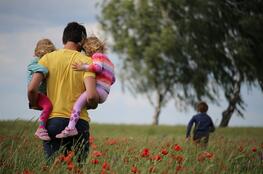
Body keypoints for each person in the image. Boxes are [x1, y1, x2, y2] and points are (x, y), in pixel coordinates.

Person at [27, 22, 99, 162]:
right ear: (82, 41)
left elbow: (31, 88)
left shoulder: (47, 59)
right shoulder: (86, 61)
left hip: (53, 122)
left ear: (63, 39)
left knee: (54, 168)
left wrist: (35, 103)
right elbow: (91, 96)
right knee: (77, 170)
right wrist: (94, 103)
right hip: (79, 124)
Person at [56, 36, 116, 138]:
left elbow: (97, 67)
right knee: (83, 104)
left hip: (98, 90)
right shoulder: (110, 62)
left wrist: (83, 67)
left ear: (89, 49)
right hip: (105, 93)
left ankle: (71, 128)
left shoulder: (97, 56)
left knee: (77, 105)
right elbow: (113, 79)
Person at [27, 39, 55, 141]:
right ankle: (41, 128)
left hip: (42, 92)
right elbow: (30, 67)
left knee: (49, 106)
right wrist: (44, 69)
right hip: (37, 92)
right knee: (48, 106)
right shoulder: (35, 60)